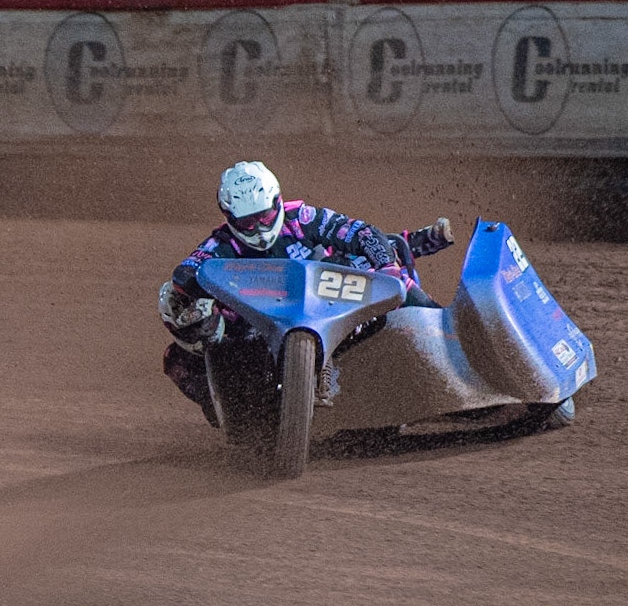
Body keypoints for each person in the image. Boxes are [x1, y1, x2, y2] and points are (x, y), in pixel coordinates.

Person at [158, 161, 455, 415]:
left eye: (265, 216)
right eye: (248, 222)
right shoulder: (221, 245)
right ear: (228, 217)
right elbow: (184, 274)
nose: (260, 228)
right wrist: (204, 303)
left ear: (278, 203)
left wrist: (388, 267)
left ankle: (454, 353)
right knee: (177, 351)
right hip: (262, 333)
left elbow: (361, 232)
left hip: (336, 307)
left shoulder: (301, 219)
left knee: (391, 277)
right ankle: (246, 416)